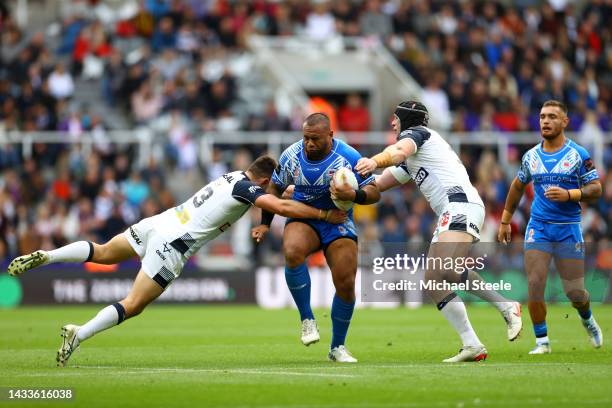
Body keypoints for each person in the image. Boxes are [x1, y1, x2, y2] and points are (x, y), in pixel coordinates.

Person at [8, 156, 348, 367]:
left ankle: (49, 256)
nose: (272, 190)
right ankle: (78, 334)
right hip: (173, 245)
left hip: (158, 223)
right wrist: (322, 213)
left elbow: (276, 195)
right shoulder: (248, 189)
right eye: (269, 186)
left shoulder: (232, 176)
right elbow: (282, 205)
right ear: (262, 182)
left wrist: (264, 219)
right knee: (134, 304)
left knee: (101, 251)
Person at [355, 100, 522, 363]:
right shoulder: (412, 158)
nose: (392, 123)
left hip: (460, 205)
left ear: (408, 120)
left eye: (396, 118)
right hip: (452, 210)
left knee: (443, 270)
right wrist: (349, 191)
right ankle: (473, 343)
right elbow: (378, 185)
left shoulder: (418, 135)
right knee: (435, 280)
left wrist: (372, 160)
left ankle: (506, 306)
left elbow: (397, 151)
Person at [252, 113, 380, 363]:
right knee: (292, 250)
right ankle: (307, 319)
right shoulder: (291, 156)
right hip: (304, 218)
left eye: (315, 139)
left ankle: (337, 347)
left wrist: (353, 194)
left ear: (330, 136)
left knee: (345, 280)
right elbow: (274, 190)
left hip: (338, 221)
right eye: (306, 138)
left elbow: (374, 192)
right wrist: (265, 223)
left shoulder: (349, 157)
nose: (309, 144)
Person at [497, 100, 603, 354]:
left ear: (564, 122)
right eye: (543, 116)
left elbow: (596, 189)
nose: (545, 121)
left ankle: (587, 319)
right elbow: (517, 186)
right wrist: (505, 219)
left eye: (552, 116)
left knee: (575, 293)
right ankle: (542, 341)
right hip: (539, 227)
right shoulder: (531, 156)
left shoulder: (578, 154)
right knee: (534, 283)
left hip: (568, 228)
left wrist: (570, 195)